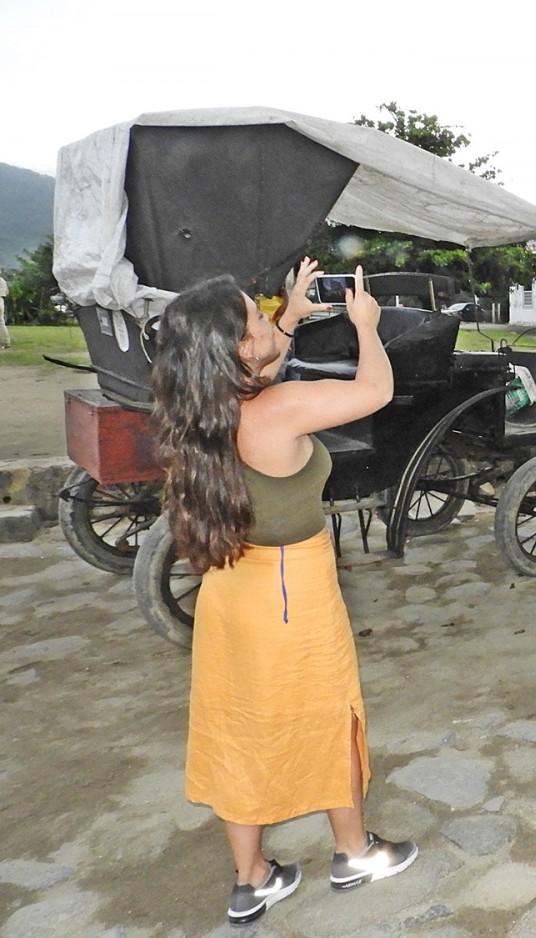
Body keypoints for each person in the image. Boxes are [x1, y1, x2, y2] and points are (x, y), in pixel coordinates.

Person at [150, 261, 418, 926]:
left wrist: (292, 319)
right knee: (328, 714)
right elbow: (376, 390)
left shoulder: (196, 412)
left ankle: (252, 878)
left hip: (229, 591)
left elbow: (260, 371)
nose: (267, 321)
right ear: (237, 349)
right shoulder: (281, 411)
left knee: (238, 726)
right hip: (291, 593)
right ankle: (353, 852)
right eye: (256, 319)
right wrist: (366, 328)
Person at [0, 275, 10, 350]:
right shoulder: (3, 281)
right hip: (1, 302)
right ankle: (7, 342)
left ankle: (5, 342)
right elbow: (7, 292)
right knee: (1, 323)